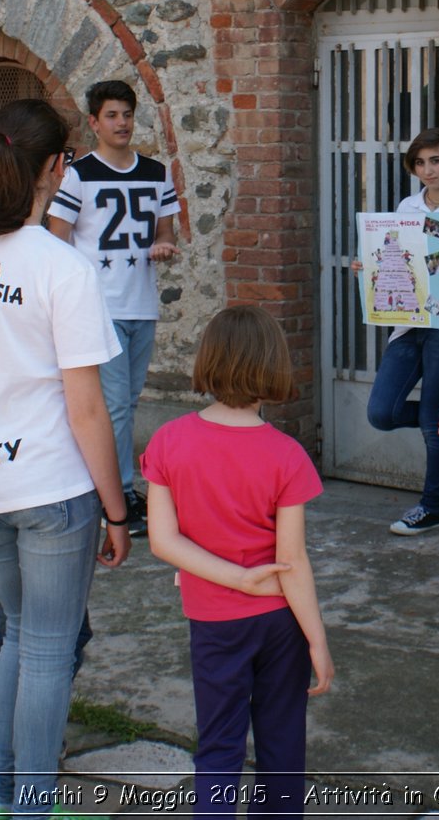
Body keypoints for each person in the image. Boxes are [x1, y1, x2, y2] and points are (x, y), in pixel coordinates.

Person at [0, 99, 132, 819]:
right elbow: (88, 409)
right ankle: (33, 807)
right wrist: (117, 508)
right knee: (45, 648)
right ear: (56, 166)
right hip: (51, 486)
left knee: (20, 634)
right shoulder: (62, 266)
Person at [144, 305, 333, 819]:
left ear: (208, 360)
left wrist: (235, 579)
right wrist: (317, 638)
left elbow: (162, 541)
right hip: (279, 621)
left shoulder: (167, 441)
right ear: (273, 366)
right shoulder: (287, 454)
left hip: (213, 622)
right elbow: (292, 561)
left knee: (219, 748)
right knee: (282, 750)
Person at [49, 80, 180, 538]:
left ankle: (106, 486)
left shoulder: (156, 170)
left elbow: (167, 230)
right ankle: (120, 493)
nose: (121, 123)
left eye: (126, 114)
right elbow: (56, 240)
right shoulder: (79, 174)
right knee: (115, 408)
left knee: (125, 401)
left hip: (141, 304)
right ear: (93, 122)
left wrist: (164, 244)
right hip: (97, 308)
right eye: (111, 115)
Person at [350, 128, 439, 536]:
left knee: (432, 416)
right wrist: (370, 268)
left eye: (436, 161)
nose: (427, 170)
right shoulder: (408, 206)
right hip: (410, 320)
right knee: (382, 411)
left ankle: (432, 506)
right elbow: (401, 258)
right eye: (420, 163)